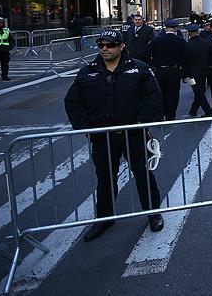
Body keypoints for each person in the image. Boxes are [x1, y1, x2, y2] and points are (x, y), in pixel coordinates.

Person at [63, 29, 164, 241]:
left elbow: (153, 98)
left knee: (143, 174)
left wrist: (141, 124)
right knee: (105, 179)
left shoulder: (139, 69)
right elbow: (72, 102)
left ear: (121, 46)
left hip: (133, 134)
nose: (105, 49)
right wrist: (87, 128)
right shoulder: (88, 72)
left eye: (109, 45)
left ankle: (153, 213)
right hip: (103, 136)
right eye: (101, 45)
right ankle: (105, 218)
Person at [146, 18, 188, 120]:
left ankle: (159, 115)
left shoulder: (156, 40)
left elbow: (147, 53)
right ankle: (170, 115)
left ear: (165, 28)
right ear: (176, 29)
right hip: (174, 70)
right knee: (173, 94)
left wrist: (152, 65)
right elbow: (186, 57)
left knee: (159, 93)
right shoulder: (181, 41)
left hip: (159, 70)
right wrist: (183, 72)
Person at [183, 23, 212, 117]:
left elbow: (186, 61)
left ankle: (207, 111)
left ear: (189, 33)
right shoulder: (205, 43)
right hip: (204, 72)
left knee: (198, 92)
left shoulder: (188, 45)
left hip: (192, 74)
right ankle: (193, 110)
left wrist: (184, 75)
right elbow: (210, 57)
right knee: (201, 90)